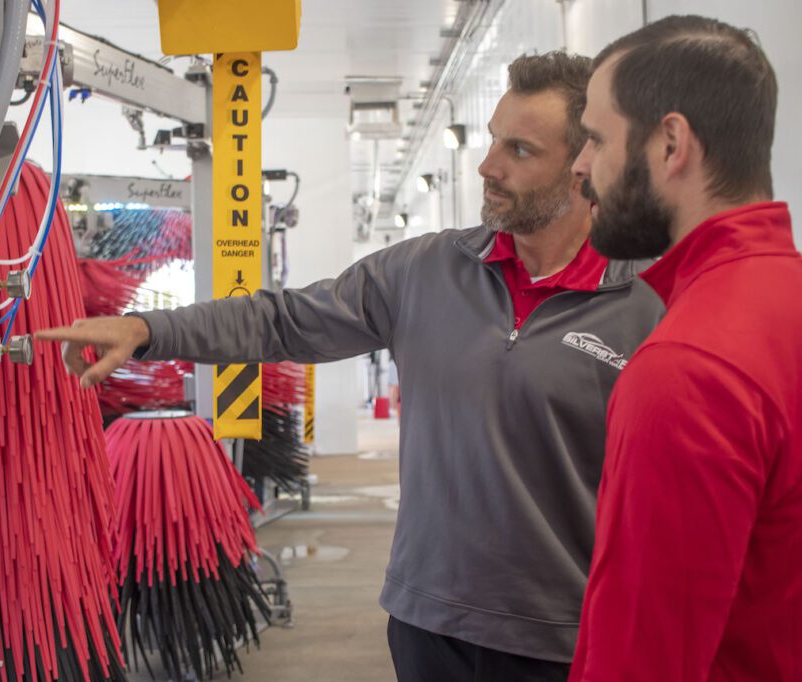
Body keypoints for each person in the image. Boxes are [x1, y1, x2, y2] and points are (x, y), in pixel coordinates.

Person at [37, 52, 665, 681]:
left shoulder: (648, 308)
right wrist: (149, 330)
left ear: (585, 167)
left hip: (566, 639)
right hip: (428, 624)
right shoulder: (425, 271)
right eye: (494, 138)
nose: (488, 165)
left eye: (520, 150)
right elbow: (282, 320)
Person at [570, 15, 802, 681]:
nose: (581, 166)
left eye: (596, 138)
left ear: (671, 144)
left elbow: (641, 662)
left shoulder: (687, 371)